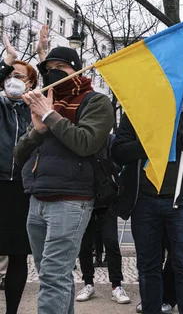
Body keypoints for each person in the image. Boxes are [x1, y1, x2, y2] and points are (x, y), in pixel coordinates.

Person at [14, 45, 114, 314]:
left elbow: (86, 143)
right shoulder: (45, 102)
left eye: (61, 68)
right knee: (53, 274)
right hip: (38, 198)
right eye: (49, 70)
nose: (54, 74)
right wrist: (36, 131)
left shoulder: (96, 101)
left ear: (76, 69)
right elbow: (19, 154)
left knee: (52, 275)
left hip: (72, 199)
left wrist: (50, 116)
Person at [112, 99, 183, 314]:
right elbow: (118, 151)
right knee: (147, 266)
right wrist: (150, 141)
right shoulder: (136, 107)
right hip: (144, 200)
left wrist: (174, 137)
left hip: (182, 200)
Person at [0, 28, 44, 314]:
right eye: (8, 77)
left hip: (21, 189)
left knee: (18, 255)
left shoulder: (36, 108)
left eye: (19, 77)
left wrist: (43, 57)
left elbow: (59, 88)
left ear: (31, 84)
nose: (12, 81)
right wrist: (8, 61)